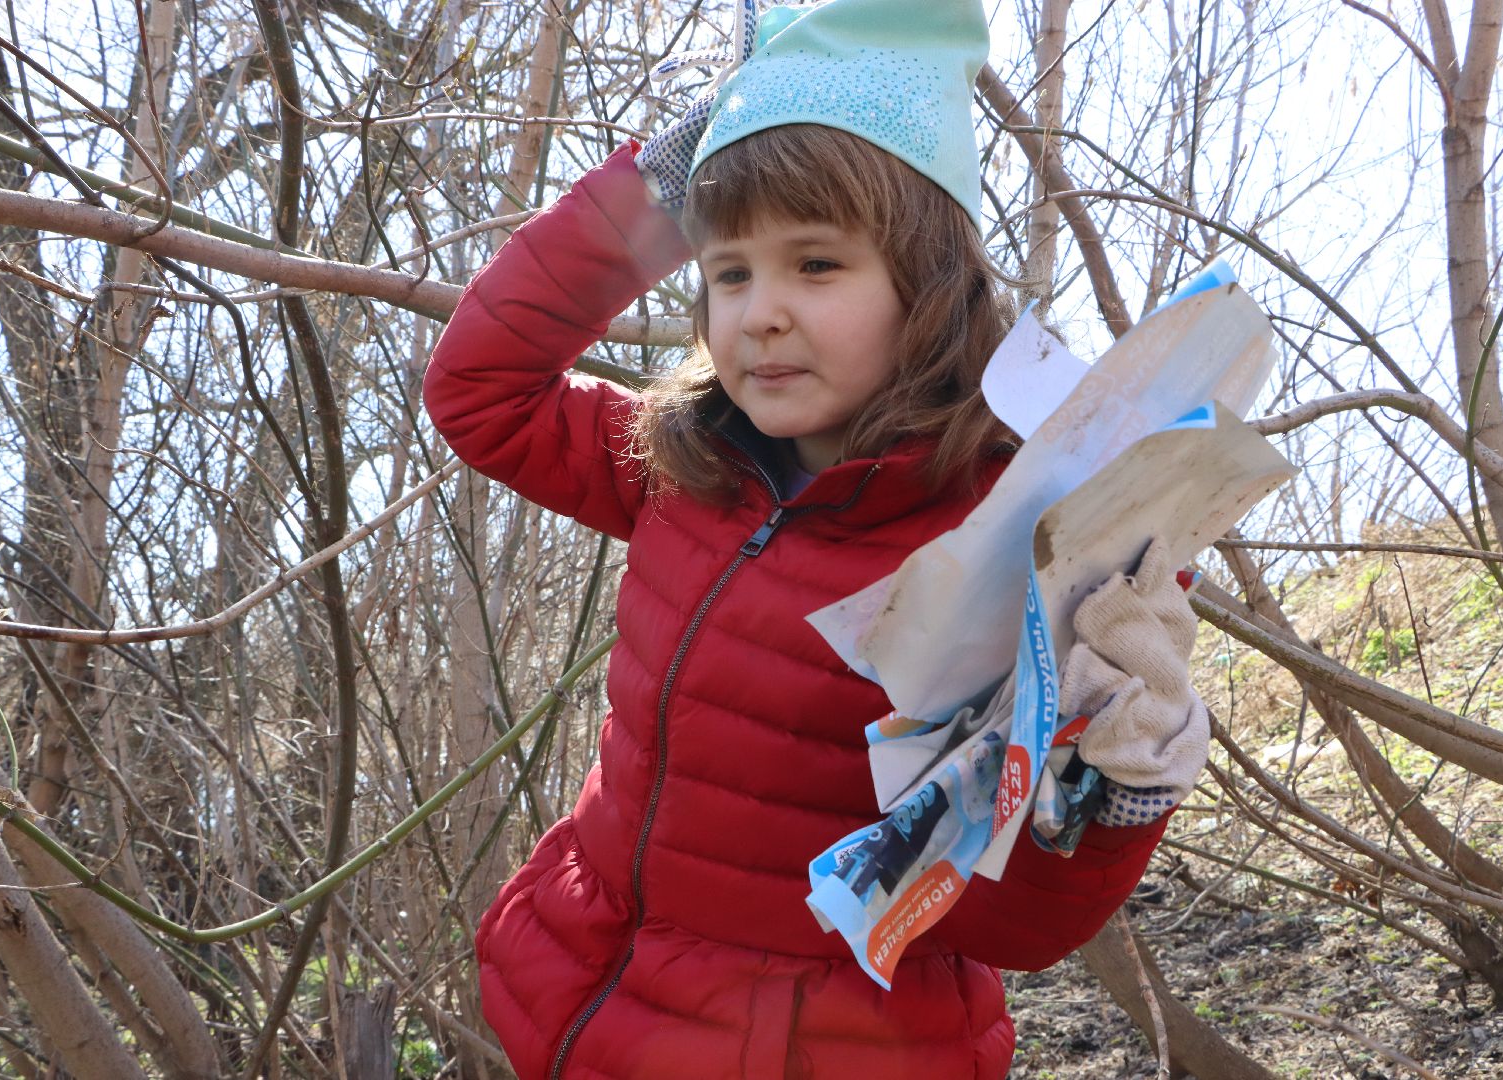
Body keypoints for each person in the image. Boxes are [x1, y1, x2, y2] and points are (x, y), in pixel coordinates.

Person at [423, 1, 1209, 1075]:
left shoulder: (1009, 541)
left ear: (928, 288)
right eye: (730, 271)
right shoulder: (683, 466)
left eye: (818, 266)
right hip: (571, 1002)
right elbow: (479, 391)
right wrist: (667, 181)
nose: (759, 314)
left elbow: (1017, 930)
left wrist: (1119, 785)